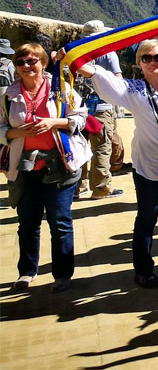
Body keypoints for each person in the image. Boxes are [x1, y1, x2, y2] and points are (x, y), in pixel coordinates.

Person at [75, 22, 158, 288]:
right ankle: (143, 269)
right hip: (150, 167)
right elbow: (99, 76)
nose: (154, 62)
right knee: (148, 216)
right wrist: (73, 59)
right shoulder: (132, 91)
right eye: (147, 57)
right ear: (139, 62)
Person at [1, 43, 87, 293]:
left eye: (32, 61)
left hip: (59, 164)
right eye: (21, 62)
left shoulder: (60, 89)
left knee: (60, 221)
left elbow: (81, 117)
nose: (27, 66)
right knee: (27, 222)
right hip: (25, 166)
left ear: (42, 62)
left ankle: (62, 274)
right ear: (15, 66)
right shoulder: (8, 96)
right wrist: (16, 132)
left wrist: (53, 122)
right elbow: (0, 128)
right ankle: (27, 271)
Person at [76, 21, 126, 200]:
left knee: (79, 146)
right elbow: (118, 80)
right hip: (102, 108)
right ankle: (100, 188)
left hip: (77, 108)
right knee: (101, 148)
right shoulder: (108, 54)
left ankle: (77, 187)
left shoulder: (76, 53)